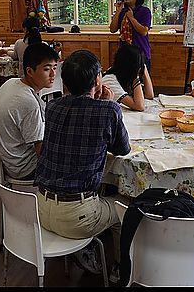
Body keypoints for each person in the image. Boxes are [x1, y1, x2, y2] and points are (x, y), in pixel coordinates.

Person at [35, 49, 130, 283]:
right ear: (98, 79)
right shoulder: (109, 110)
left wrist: (100, 106)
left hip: (39, 209)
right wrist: (107, 106)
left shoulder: (53, 107)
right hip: (76, 217)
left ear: (65, 83)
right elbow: (123, 149)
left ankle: (84, 250)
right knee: (124, 208)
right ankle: (119, 268)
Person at [0, 43, 59, 181]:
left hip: (9, 159)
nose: (53, 74)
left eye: (55, 68)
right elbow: (41, 153)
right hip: (24, 168)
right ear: (30, 71)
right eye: (46, 69)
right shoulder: (28, 103)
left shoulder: (11, 82)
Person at [109, 0, 152, 71]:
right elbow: (112, 29)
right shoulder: (122, 12)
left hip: (140, 53)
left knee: (140, 83)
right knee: (124, 83)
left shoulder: (144, 11)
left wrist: (132, 18)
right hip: (124, 53)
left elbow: (144, 31)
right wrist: (118, 11)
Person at [102, 43, 154, 111]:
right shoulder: (110, 80)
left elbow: (149, 96)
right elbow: (139, 106)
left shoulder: (124, 73)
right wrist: (136, 75)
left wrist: (144, 70)